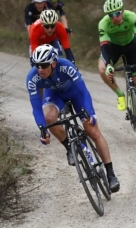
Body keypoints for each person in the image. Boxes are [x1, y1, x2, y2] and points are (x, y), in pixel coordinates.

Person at [26, 44, 120, 193]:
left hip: (75, 94)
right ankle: (69, 148)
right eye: (37, 65)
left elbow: (83, 91)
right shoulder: (32, 77)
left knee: (92, 131)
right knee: (48, 117)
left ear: (54, 63)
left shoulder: (66, 66)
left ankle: (110, 173)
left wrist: (89, 113)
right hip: (55, 96)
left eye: (44, 65)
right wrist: (43, 130)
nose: (40, 69)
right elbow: (36, 107)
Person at [97, 0, 136, 135]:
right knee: (102, 69)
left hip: (131, 46)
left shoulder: (131, 17)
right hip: (113, 48)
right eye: (111, 15)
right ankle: (120, 94)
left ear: (122, 11)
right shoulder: (103, 24)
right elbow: (104, 48)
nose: (115, 17)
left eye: (117, 13)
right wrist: (109, 65)